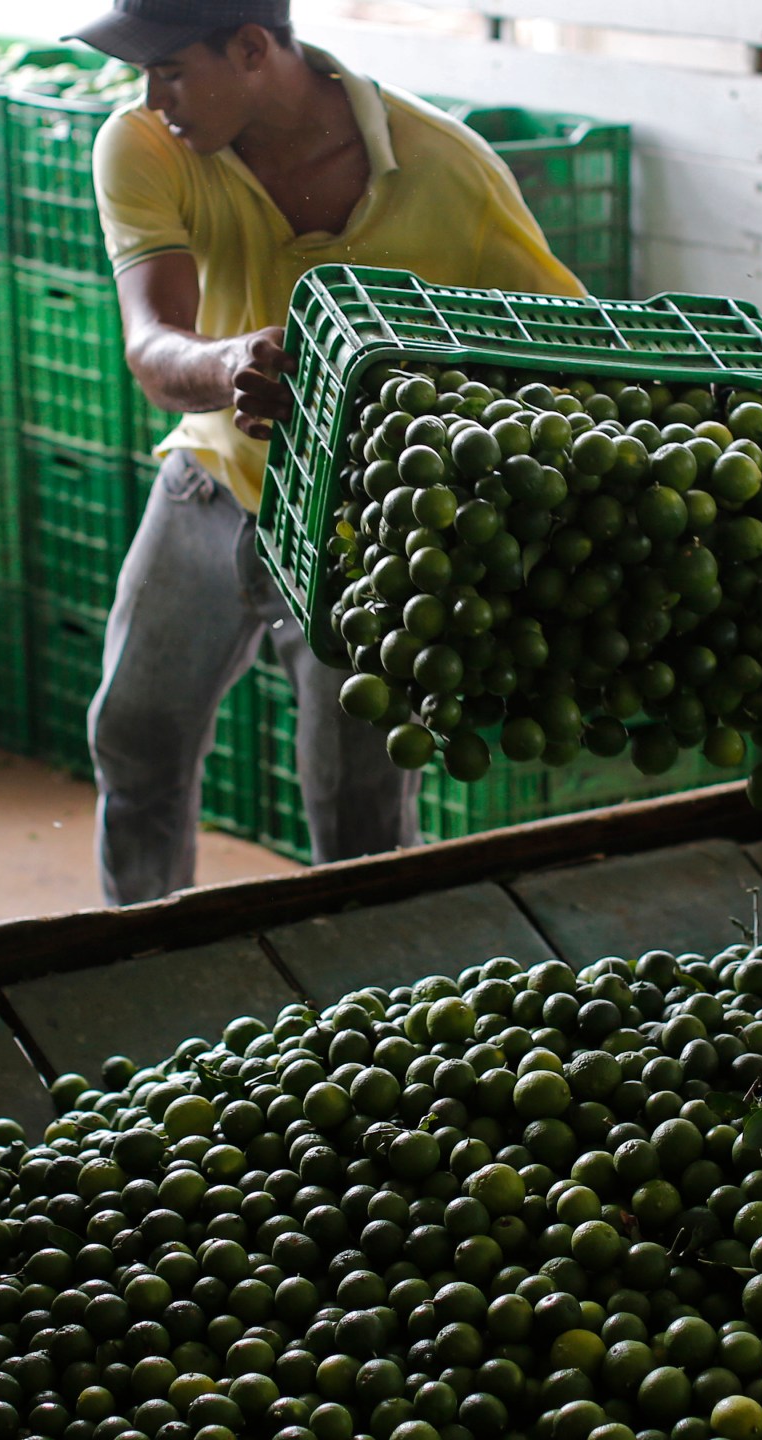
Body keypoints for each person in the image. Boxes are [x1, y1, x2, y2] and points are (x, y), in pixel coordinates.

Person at [72, 0, 584, 904]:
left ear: (253, 48)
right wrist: (227, 361)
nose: (154, 97)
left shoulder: (448, 173)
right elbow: (152, 344)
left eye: (173, 69)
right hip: (213, 487)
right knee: (135, 740)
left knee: (359, 809)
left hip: (368, 535)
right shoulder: (145, 143)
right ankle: (135, 944)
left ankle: (371, 1013)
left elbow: (558, 352)